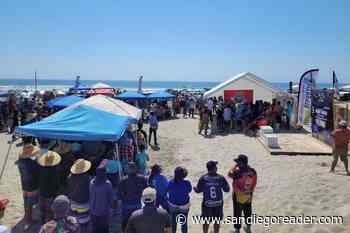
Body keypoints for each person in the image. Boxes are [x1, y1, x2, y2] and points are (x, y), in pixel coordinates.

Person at [194, 161, 230, 233]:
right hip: (218, 204)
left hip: (207, 204)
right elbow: (227, 190)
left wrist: (195, 188)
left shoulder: (203, 178)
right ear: (214, 168)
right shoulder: (220, 178)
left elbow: (198, 190)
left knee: (206, 221)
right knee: (217, 221)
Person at [228, 155, 257, 233]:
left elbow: (229, 174)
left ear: (241, 163)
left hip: (238, 195)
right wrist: (250, 191)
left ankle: (237, 230)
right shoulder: (253, 171)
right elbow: (254, 183)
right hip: (248, 193)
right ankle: (248, 228)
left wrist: (234, 167)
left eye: (238, 162)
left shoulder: (237, 172)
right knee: (248, 210)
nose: (237, 163)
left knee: (237, 212)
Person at [15, 144, 40, 231]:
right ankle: (28, 221)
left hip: (24, 184)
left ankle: (27, 219)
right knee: (31, 203)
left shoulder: (20, 161)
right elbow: (37, 173)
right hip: (32, 185)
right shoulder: (32, 162)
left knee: (27, 203)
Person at [119, 162, 148, 232]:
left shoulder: (123, 180)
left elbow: (119, 195)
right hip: (137, 205)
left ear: (128, 169)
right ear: (136, 169)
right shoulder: (142, 178)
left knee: (125, 225)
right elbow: (146, 191)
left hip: (126, 206)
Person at [37, 150, 62, 224]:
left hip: (41, 192)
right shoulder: (55, 170)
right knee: (49, 211)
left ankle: (42, 222)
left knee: (42, 209)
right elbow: (57, 184)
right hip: (50, 194)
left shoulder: (40, 168)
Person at [67, 159, 91, 231]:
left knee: (74, 221)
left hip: (73, 202)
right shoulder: (87, 178)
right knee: (84, 223)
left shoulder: (70, 176)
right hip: (83, 203)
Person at [167, 167, 192, 233]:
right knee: (183, 224)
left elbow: (167, 190)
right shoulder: (187, 183)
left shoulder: (170, 182)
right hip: (184, 206)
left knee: (173, 224)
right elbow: (189, 190)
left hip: (173, 205)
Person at [90, 166, 113, 233]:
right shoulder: (107, 184)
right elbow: (110, 199)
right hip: (104, 212)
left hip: (93, 211)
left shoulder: (91, 183)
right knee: (104, 229)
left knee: (95, 229)